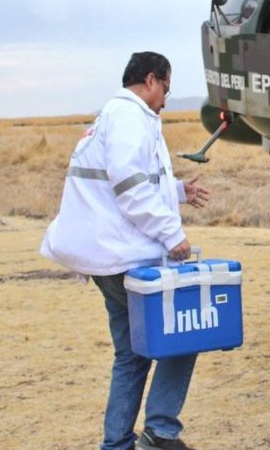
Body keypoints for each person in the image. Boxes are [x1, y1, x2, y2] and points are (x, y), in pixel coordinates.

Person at [41, 51, 210, 450]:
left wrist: (177, 191)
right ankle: (160, 431)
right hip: (124, 259)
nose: (166, 99)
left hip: (107, 260)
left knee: (132, 354)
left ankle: (117, 443)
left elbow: (125, 180)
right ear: (150, 80)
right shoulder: (130, 117)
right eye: (166, 88)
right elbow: (131, 190)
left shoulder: (112, 116)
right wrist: (173, 235)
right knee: (184, 333)